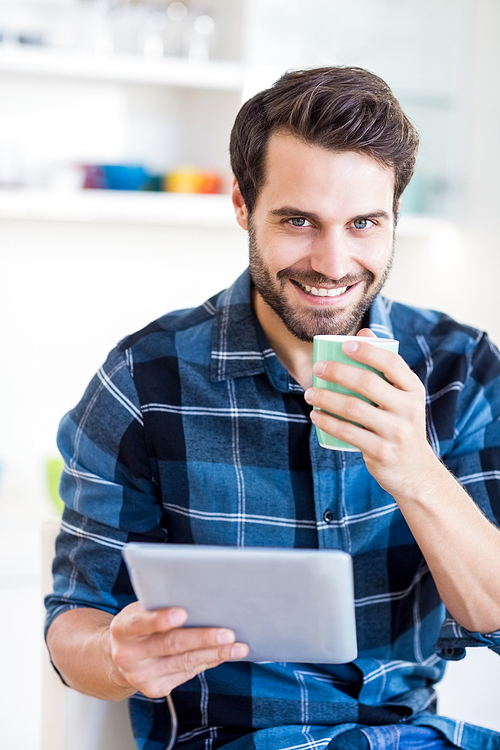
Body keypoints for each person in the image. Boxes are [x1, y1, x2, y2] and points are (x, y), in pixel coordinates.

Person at [45, 66, 500, 750]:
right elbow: (74, 621)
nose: (334, 261)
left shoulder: (458, 368)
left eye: (364, 223)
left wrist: (414, 468)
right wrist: (117, 654)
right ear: (241, 204)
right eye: (298, 221)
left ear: (395, 217)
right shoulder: (145, 379)